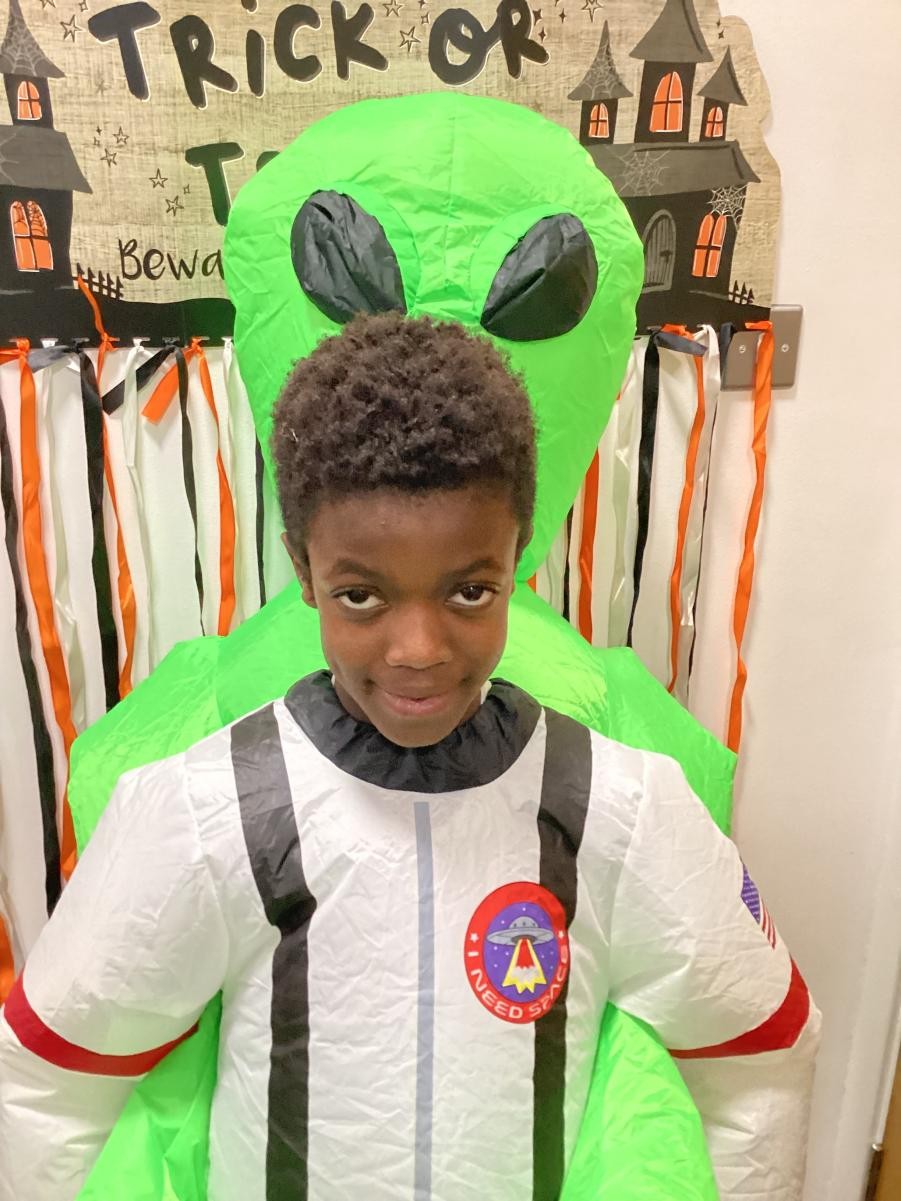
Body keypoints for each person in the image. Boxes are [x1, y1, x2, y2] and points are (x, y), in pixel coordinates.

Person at [0, 313, 818, 1201]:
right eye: (361, 595)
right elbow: (49, 1077)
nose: (418, 649)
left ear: (515, 560)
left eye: (469, 590)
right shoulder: (209, 811)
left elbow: (760, 1049)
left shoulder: (616, 808)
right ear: (304, 570)